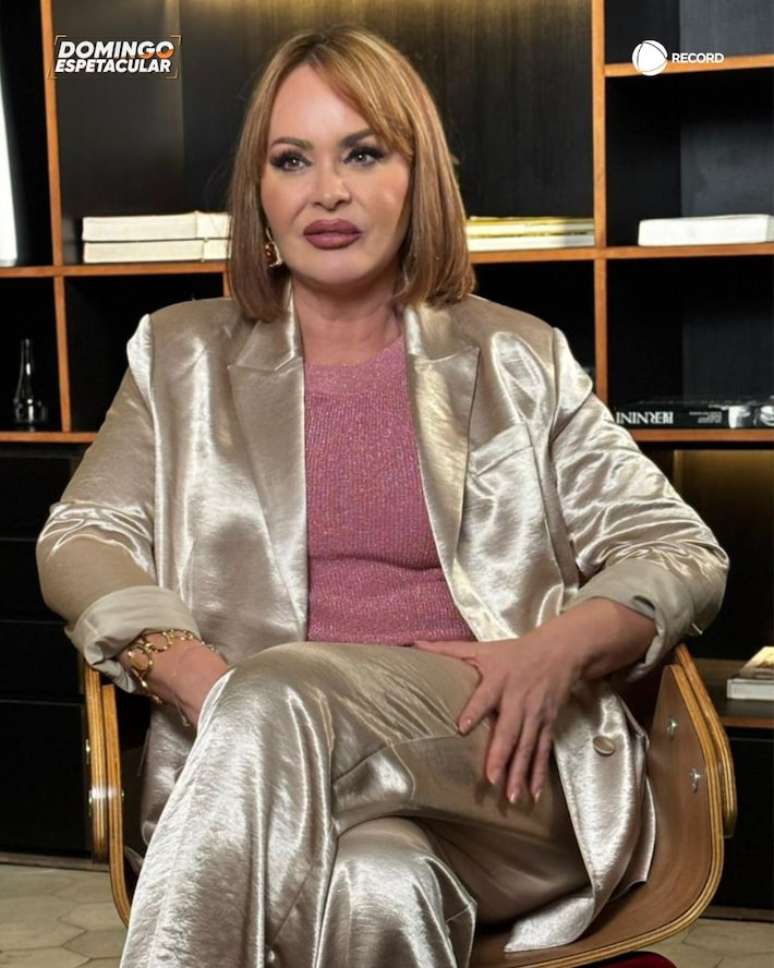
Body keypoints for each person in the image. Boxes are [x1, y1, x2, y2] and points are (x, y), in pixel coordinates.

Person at [36, 24, 729, 968]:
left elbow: (680, 550)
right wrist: (193, 673)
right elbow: (81, 535)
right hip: (260, 768)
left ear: (418, 179)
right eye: (292, 159)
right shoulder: (178, 355)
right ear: (259, 192)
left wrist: (555, 649)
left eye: (363, 153)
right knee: (379, 881)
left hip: (498, 766)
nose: (327, 190)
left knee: (284, 687)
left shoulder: (518, 357)